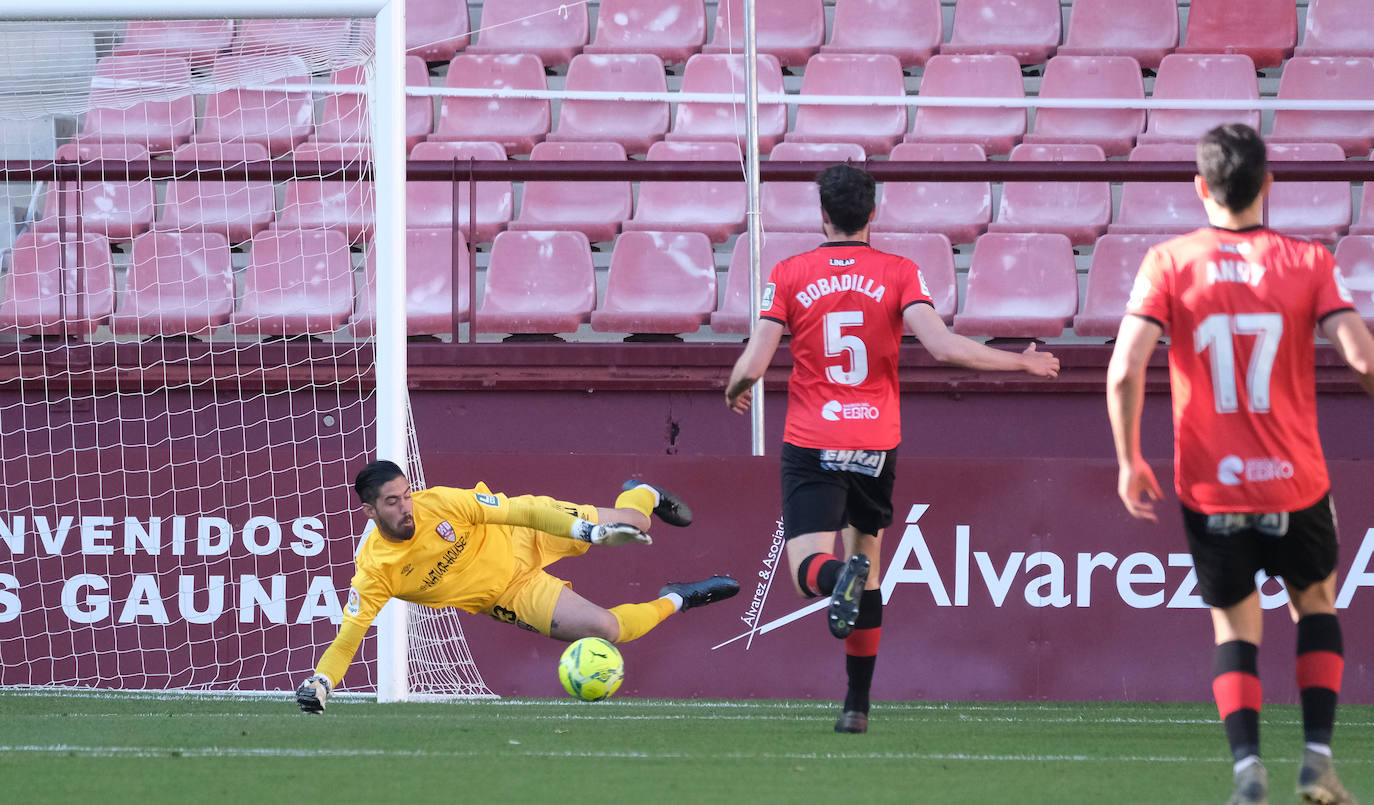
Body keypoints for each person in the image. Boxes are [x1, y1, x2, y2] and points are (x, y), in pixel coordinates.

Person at [724, 163, 1061, 734]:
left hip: (814, 440)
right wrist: (1021, 360)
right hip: (876, 442)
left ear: (823, 214)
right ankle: (856, 705)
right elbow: (944, 347)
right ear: (872, 214)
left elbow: (755, 362)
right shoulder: (901, 272)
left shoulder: (789, 273)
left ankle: (837, 583)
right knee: (869, 568)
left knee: (809, 567)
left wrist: (735, 388)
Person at [1108, 123, 1374, 805]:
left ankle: (1247, 772)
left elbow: (1123, 371)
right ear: (1269, 185)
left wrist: (1130, 457)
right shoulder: (1308, 261)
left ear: (1201, 187)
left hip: (1212, 484)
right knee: (1315, 602)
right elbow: (1363, 357)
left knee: (1234, 624)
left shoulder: (1170, 261)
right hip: (1295, 481)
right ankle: (1316, 761)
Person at [296, 461, 738, 712]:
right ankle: (679, 598)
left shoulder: (441, 503)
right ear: (370, 513)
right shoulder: (374, 571)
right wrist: (321, 684)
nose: (406, 508)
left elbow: (521, 512)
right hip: (508, 595)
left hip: (528, 533)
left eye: (407, 494)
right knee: (606, 629)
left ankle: (643, 493)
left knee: (635, 522)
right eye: (392, 503)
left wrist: (586, 532)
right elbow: (347, 639)